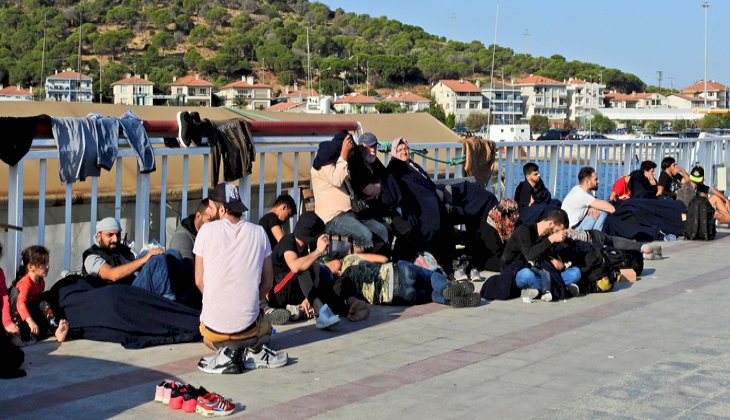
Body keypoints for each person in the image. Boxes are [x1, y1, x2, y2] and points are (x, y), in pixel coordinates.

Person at [194, 183, 287, 373]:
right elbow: (268, 282)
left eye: (210, 206)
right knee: (265, 331)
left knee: (206, 337)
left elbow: (199, 281)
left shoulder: (205, 231)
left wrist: (216, 297)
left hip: (214, 332)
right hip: (248, 330)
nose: (208, 211)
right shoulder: (260, 233)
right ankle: (249, 351)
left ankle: (228, 352)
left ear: (221, 209)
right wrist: (251, 298)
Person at [267, 212, 370, 328]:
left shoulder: (305, 246)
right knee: (303, 267)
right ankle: (320, 311)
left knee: (332, 281)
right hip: (278, 293)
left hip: (295, 290)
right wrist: (318, 251)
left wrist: (309, 296)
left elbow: (315, 269)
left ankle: (352, 305)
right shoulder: (288, 240)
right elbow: (295, 266)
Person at [310, 131, 389, 253]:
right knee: (365, 235)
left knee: (382, 230)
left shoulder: (340, 163)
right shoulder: (324, 163)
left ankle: (371, 263)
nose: (351, 154)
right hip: (333, 217)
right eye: (349, 150)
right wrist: (343, 155)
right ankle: (355, 265)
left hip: (350, 212)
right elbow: (337, 180)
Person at [332, 253, 481, 308]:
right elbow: (383, 259)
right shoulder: (350, 259)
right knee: (430, 276)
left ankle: (448, 300)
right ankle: (445, 288)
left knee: (429, 295)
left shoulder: (342, 288)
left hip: (395, 297)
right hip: (398, 272)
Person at [82, 217, 177, 300]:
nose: (115, 239)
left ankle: (183, 294)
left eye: (118, 235)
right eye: (110, 235)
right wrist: (145, 258)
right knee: (158, 259)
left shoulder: (123, 250)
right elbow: (112, 274)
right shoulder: (91, 256)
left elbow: (139, 266)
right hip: (121, 297)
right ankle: (169, 302)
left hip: (135, 288)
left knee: (173, 254)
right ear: (99, 236)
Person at [500, 209, 581, 301]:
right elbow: (530, 255)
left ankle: (539, 289)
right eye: (557, 230)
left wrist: (561, 265)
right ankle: (559, 288)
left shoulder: (548, 237)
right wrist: (552, 239)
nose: (558, 234)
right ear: (551, 223)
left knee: (576, 273)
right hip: (516, 271)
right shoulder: (524, 230)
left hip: (542, 273)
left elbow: (550, 259)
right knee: (526, 275)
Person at [10, 246, 69, 344]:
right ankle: (18, 335)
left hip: (31, 313)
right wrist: (30, 322)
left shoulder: (41, 282)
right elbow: (20, 305)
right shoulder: (25, 283)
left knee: (44, 303)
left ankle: (55, 330)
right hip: (19, 317)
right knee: (25, 328)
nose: (47, 266)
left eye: (47, 262)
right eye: (43, 263)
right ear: (30, 267)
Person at [167, 198, 217, 307]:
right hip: (188, 299)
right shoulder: (182, 238)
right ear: (198, 216)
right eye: (210, 220)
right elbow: (188, 277)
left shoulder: (209, 234)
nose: (213, 225)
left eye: (215, 221)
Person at [347, 132, 390, 221]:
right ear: (361, 147)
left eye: (375, 146)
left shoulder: (373, 160)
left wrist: (379, 188)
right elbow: (367, 190)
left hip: (380, 204)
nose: (373, 150)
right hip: (364, 209)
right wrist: (384, 186)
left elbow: (387, 177)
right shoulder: (355, 164)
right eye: (370, 146)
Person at [562, 166, 615, 231]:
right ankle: (596, 237)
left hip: (571, 226)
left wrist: (590, 207)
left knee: (598, 209)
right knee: (602, 212)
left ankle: (595, 236)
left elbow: (593, 200)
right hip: (573, 231)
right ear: (587, 182)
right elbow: (611, 209)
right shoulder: (583, 195)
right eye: (595, 179)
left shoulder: (577, 188)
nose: (598, 181)